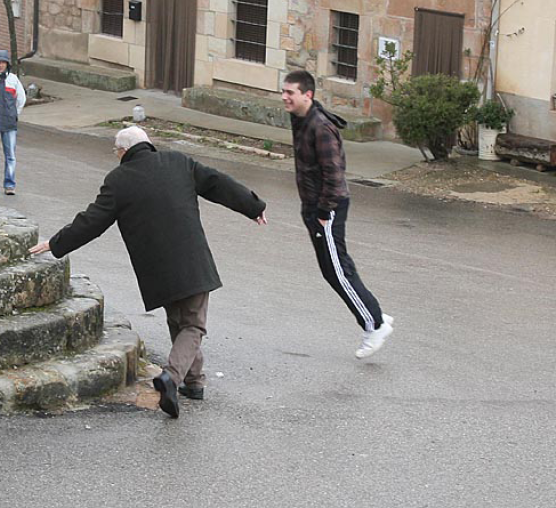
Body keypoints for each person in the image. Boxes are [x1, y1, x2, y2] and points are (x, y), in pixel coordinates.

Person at [29, 127, 266, 418]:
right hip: (191, 259)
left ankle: (194, 382)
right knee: (193, 325)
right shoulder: (179, 162)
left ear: (123, 151)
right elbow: (219, 184)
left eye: (115, 152)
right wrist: (253, 206)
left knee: (180, 321)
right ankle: (172, 377)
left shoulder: (119, 180)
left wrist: (56, 243)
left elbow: (92, 221)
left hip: (156, 269)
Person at [281, 70, 393, 359]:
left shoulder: (320, 127)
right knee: (335, 268)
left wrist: (322, 211)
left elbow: (334, 173)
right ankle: (374, 312)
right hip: (315, 207)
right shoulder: (301, 118)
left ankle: (375, 324)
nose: (284, 97)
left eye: (290, 92)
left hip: (325, 208)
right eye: (283, 91)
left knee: (337, 272)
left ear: (308, 95)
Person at [0, 50, 26, 195]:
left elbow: (21, 100)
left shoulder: (13, 80)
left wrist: (14, 115)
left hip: (9, 125)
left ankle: (9, 184)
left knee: (10, 155)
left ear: (7, 64)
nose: (0, 65)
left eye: (3, 63)